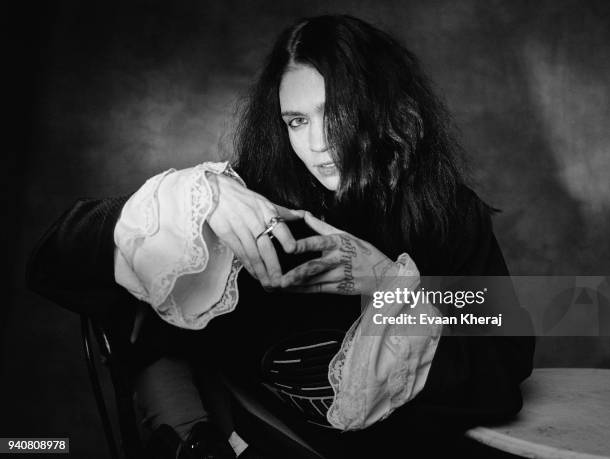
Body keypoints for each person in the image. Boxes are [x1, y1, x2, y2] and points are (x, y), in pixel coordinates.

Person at [27, 14, 535, 458]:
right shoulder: (250, 201)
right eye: (296, 120)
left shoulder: (449, 210)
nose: (316, 144)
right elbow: (54, 262)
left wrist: (386, 280)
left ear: (387, 113)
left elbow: (507, 365)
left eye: (336, 113)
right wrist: (199, 194)